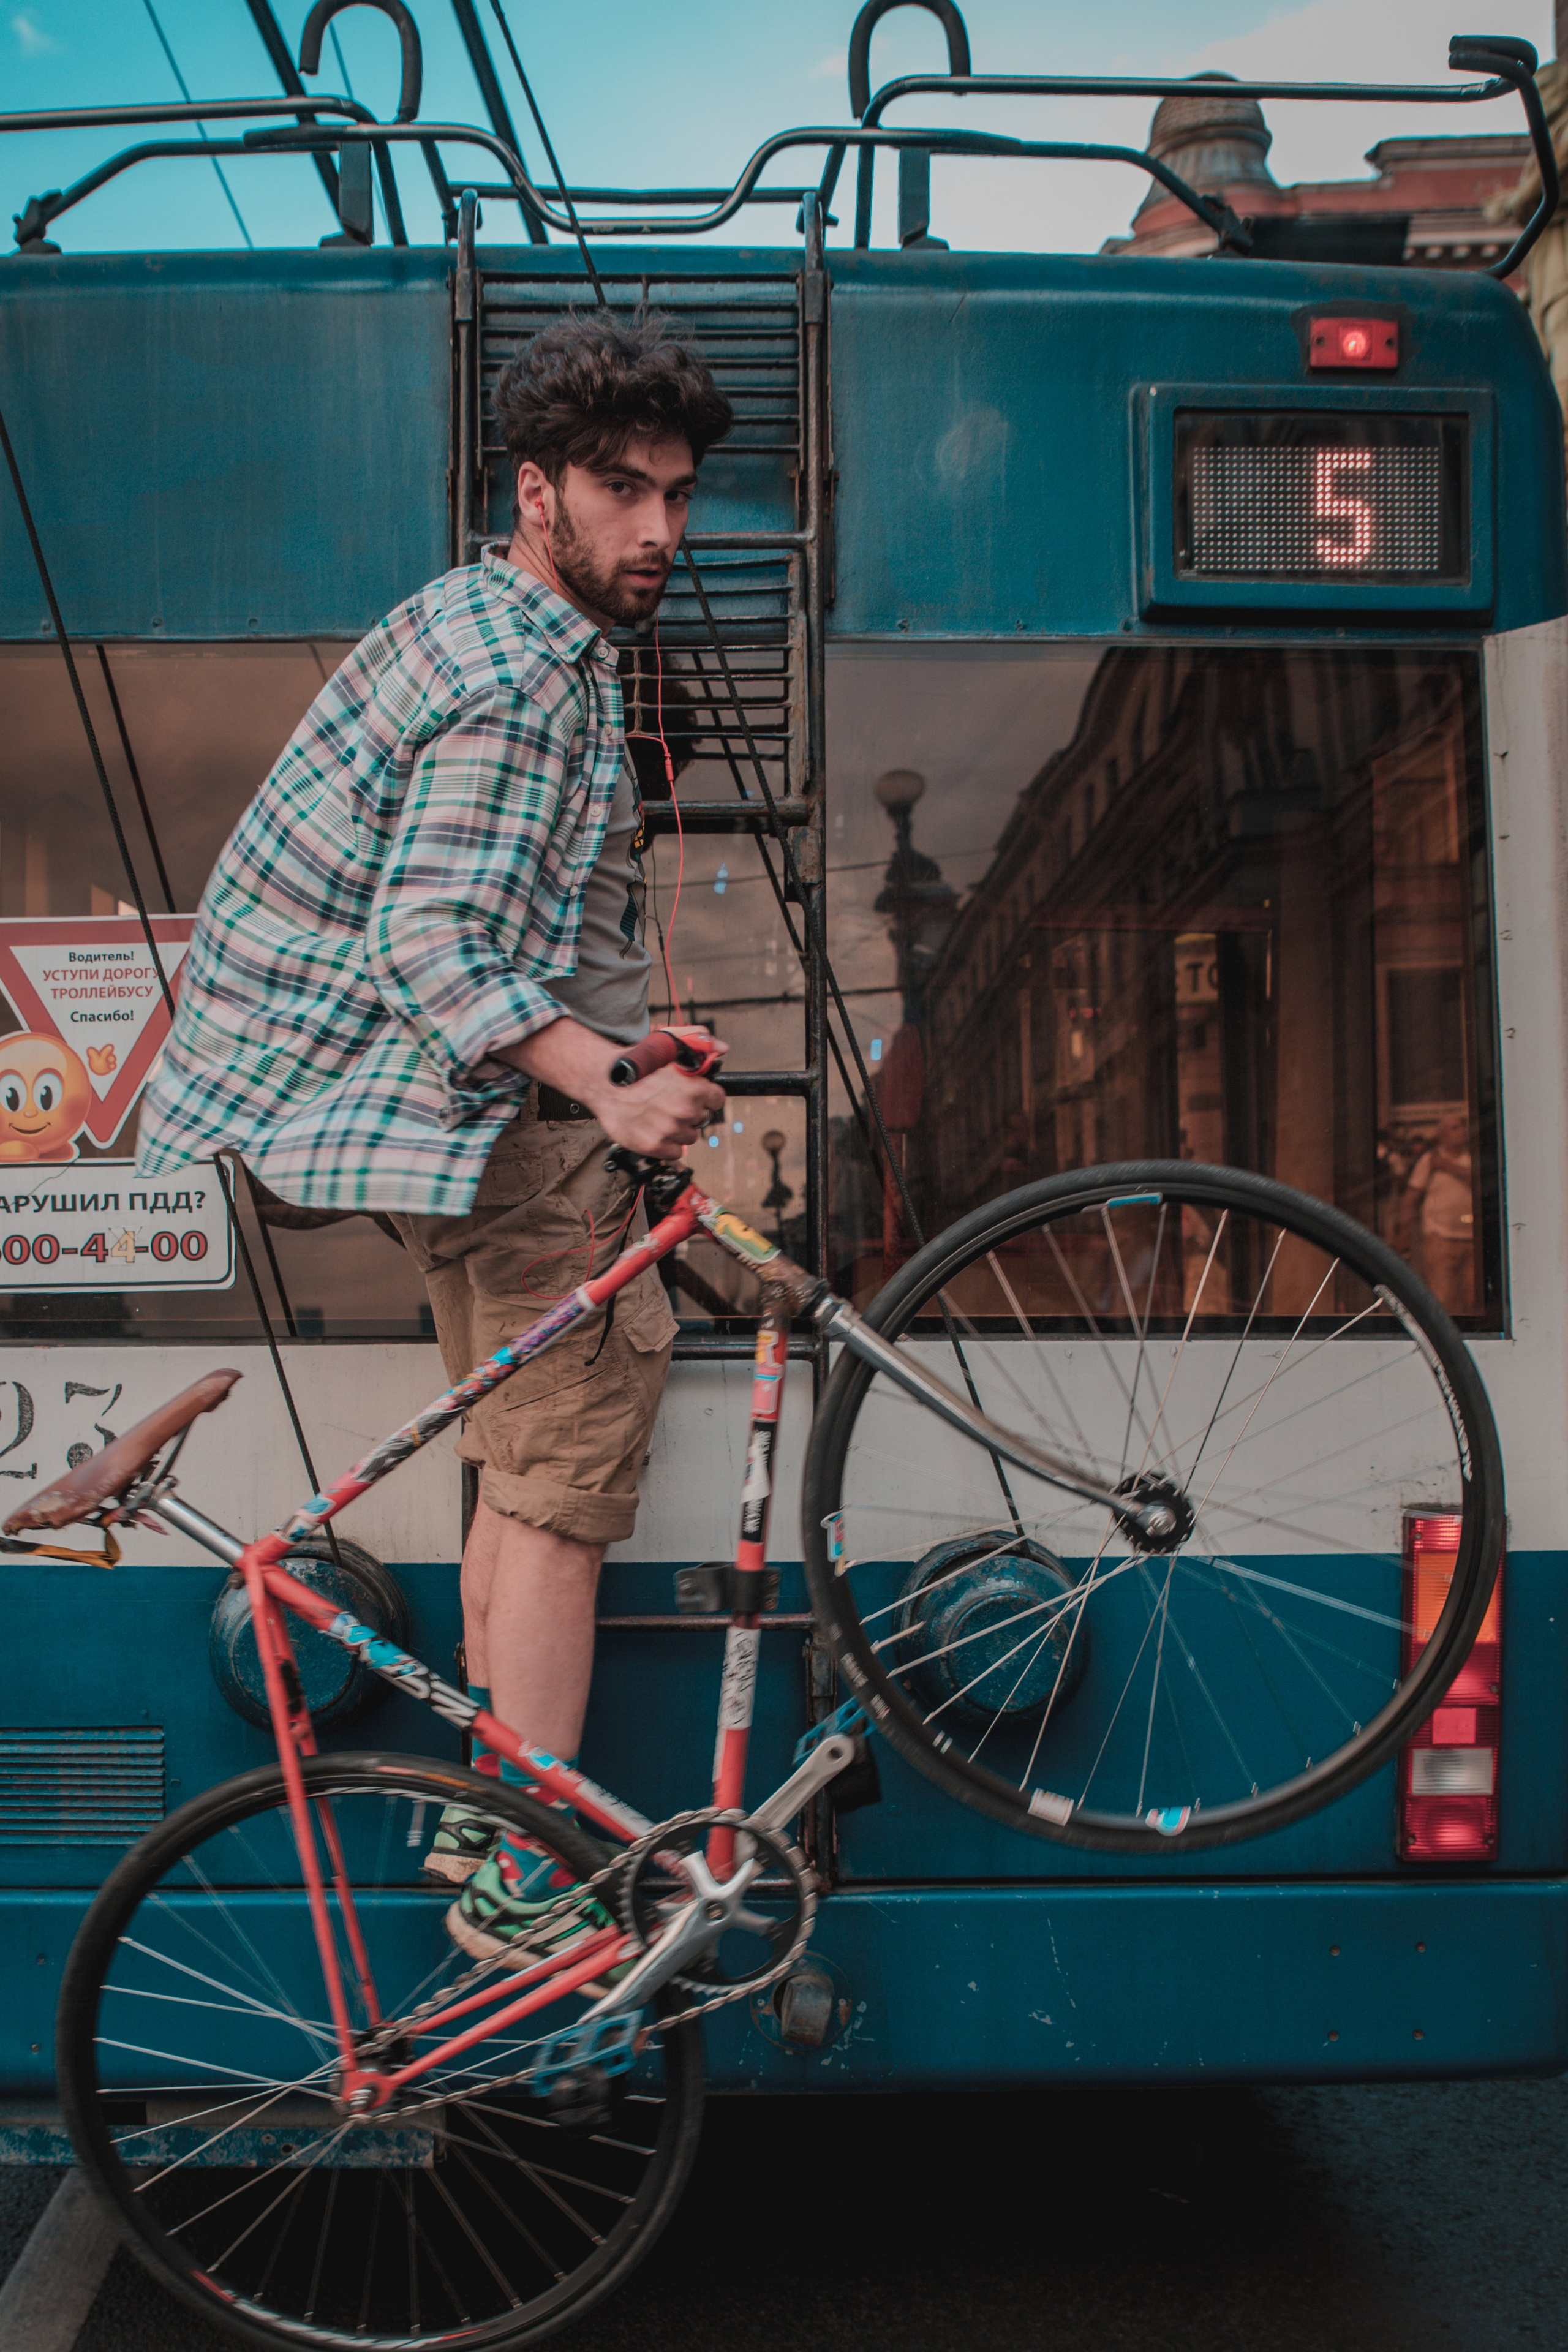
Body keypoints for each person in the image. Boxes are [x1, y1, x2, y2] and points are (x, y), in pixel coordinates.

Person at [137, 311, 733, 1965]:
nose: (661, 533)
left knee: (512, 1480)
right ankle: (527, 1876)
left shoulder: (470, 619)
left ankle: (495, 1815)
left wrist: (614, 1046)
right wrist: (608, 1088)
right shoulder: (525, 676)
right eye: (623, 490)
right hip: (485, 1128)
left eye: (679, 496)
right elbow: (436, 942)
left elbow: (493, 931)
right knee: (554, 1491)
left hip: (422, 1125)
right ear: (536, 489)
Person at [1396, 1110, 1476, 1314]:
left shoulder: (1472, 1159)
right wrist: (1405, 1232)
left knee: (1473, 1299)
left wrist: (1446, 1166)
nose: (1462, 1131)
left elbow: (1477, 1179)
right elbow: (1411, 1197)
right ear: (1442, 1135)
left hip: (1473, 1239)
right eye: (1454, 1128)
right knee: (1443, 1298)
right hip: (1440, 1238)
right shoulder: (1429, 1161)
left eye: (1462, 1126)